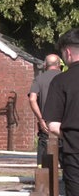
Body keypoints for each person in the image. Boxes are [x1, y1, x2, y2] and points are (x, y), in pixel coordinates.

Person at [44, 28, 79, 195]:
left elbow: (52, 125)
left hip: (74, 151)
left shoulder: (60, 81)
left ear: (67, 53)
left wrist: (70, 135)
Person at [28, 54, 61, 165]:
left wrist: (41, 119)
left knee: (44, 165)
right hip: (64, 127)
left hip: (46, 126)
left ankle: (43, 181)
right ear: (59, 64)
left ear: (45, 65)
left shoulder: (39, 79)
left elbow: (32, 99)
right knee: (69, 165)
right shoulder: (66, 77)